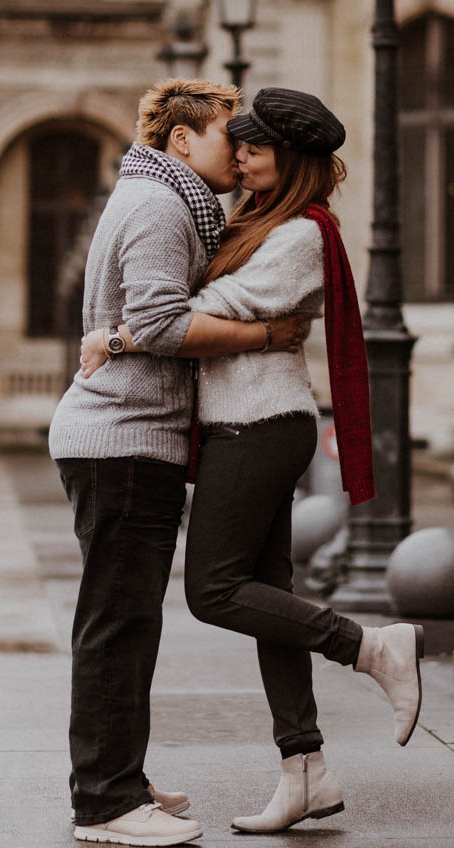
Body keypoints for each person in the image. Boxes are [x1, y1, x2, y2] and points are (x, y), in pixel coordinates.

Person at [80, 87, 425, 835]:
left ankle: (370, 646)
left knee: (214, 589)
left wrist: (119, 337)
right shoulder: (256, 221)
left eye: (253, 148)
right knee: (269, 600)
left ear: (289, 160)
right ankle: (306, 771)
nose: (238, 157)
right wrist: (146, 324)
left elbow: (204, 309)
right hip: (245, 424)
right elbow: (190, 309)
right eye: (235, 144)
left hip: (261, 426)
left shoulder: (303, 232)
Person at [49, 79, 305, 848]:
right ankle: (105, 803)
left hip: (121, 437)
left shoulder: (153, 197)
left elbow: (137, 322)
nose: (245, 151)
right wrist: (268, 337)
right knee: (118, 625)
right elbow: (161, 324)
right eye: (234, 136)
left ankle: (118, 778)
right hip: (125, 438)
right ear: (184, 141)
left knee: (121, 620)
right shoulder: (163, 207)